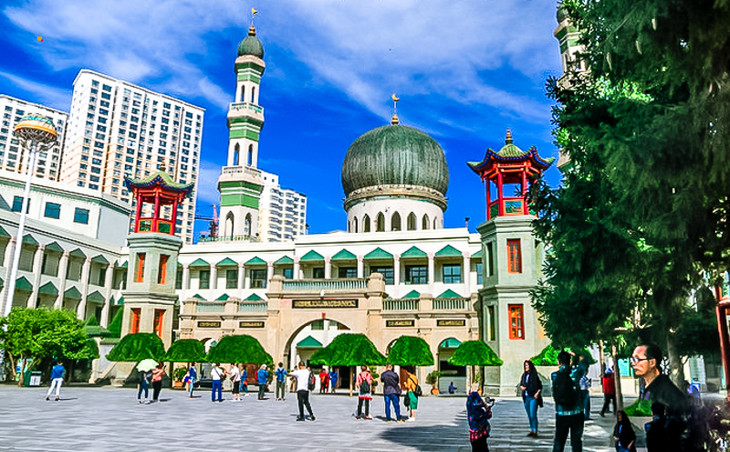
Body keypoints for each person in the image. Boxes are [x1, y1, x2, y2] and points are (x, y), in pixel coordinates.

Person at [631, 344, 690, 451]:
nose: (633, 363)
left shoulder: (667, 393)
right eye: (632, 359)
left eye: (637, 359)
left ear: (652, 363)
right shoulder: (646, 387)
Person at [551, 350, 584, 452]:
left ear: (559, 362)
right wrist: (575, 356)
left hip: (561, 412)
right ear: (569, 361)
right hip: (577, 412)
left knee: (559, 441)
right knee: (576, 441)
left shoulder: (554, 375)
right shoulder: (576, 373)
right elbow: (583, 364)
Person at [519, 360, 543, 437]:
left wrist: (537, 393)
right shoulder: (524, 375)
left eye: (527, 365)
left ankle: (535, 430)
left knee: (533, 414)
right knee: (529, 414)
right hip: (526, 397)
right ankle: (532, 429)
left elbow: (540, 386)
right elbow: (521, 384)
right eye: (525, 365)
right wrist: (522, 387)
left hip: (533, 397)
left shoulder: (534, 375)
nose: (526, 367)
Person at [574, 354, 591, 420]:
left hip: (579, 390)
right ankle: (586, 416)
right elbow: (588, 385)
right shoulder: (584, 377)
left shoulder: (578, 376)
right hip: (584, 391)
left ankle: (581, 415)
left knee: (581, 404)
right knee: (586, 404)